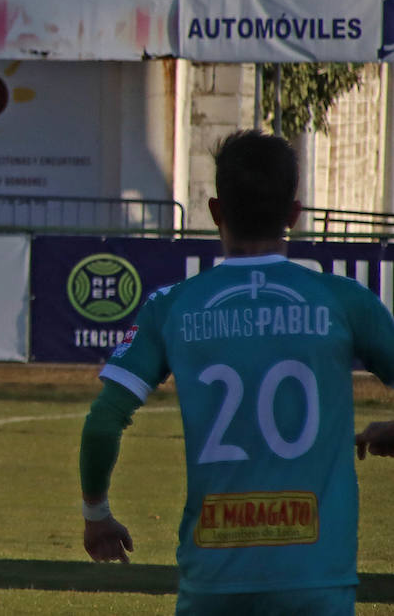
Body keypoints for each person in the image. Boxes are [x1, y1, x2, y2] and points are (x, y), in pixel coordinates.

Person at [79, 129, 394, 616]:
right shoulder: (345, 300)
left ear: (215, 210)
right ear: (294, 214)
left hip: (214, 580)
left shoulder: (172, 306)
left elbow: (104, 420)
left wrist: (97, 516)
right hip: (315, 579)